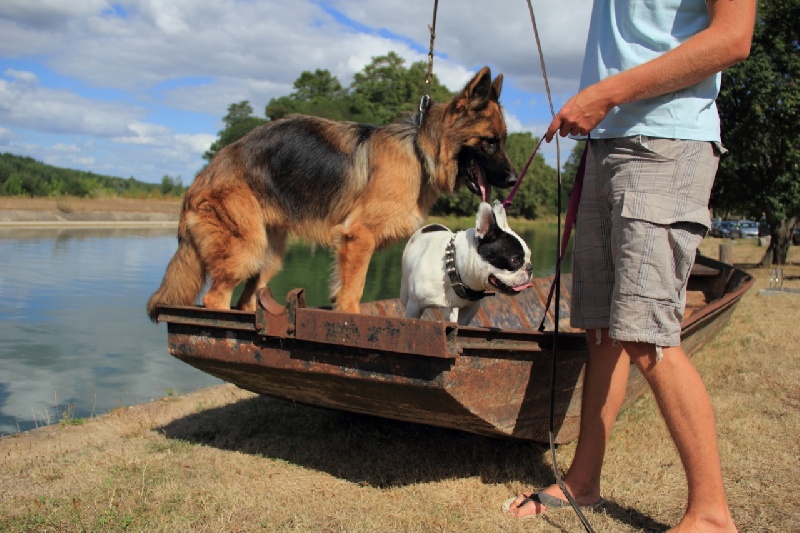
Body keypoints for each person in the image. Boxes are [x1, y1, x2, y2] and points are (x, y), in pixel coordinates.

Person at [503, 1, 756, 531]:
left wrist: (606, 93)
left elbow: (733, 38)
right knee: (602, 329)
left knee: (647, 334)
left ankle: (711, 514)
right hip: (604, 144)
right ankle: (583, 480)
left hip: (666, 142)